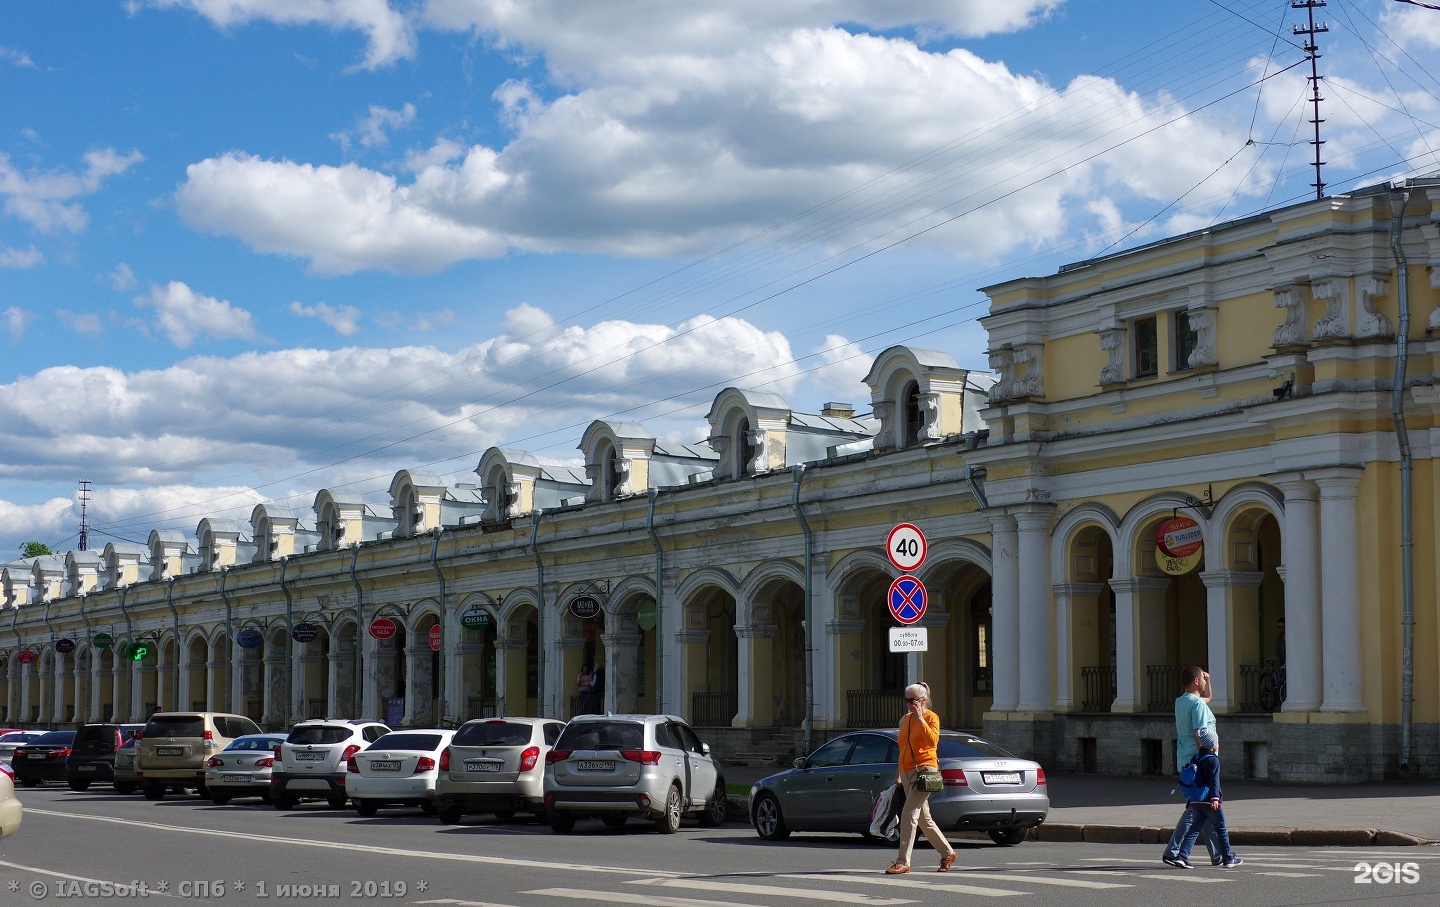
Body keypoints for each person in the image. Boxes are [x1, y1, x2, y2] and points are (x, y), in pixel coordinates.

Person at [884, 682, 958, 875]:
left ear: (923, 700)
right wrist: (898, 774)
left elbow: (932, 740)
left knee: (909, 813)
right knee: (924, 819)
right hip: (907, 771)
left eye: (913, 700)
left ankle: (903, 861)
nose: (909, 704)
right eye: (907, 700)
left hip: (925, 770)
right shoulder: (906, 720)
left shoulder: (931, 717)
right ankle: (947, 853)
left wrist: (920, 718)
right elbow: (902, 748)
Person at [1162, 726, 1242, 869]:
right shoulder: (1213, 761)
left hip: (1195, 800)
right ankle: (1229, 859)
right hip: (1210, 800)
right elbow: (1214, 781)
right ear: (1212, 746)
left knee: (1194, 829)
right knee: (1221, 829)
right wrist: (1215, 798)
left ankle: (1182, 857)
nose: (1218, 744)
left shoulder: (1196, 758)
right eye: (1217, 742)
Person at [1173, 665, 1222, 863]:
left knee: (1202, 810)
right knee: (1199, 810)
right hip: (1200, 763)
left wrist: (1208, 679)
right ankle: (1175, 851)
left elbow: (1208, 698)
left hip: (1186, 761)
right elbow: (1199, 734)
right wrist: (1207, 759)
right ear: (1195, 681)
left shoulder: (1182, 702)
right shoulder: (1198, 706)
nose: (1204, 680)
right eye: (1202, 678)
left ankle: (1219, 854)